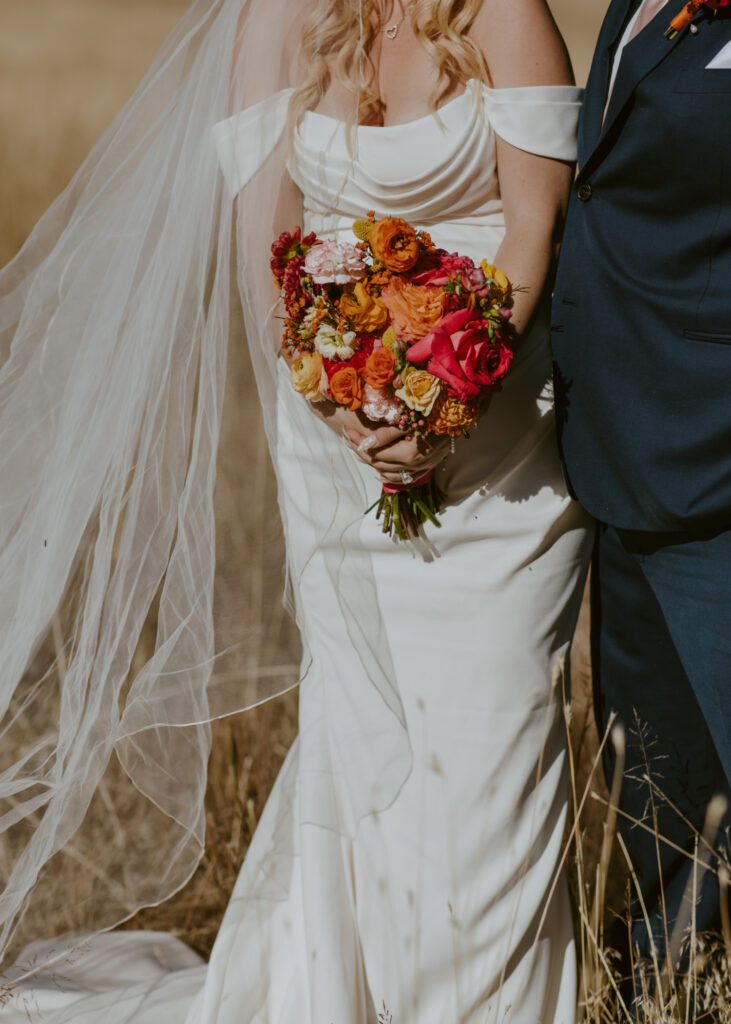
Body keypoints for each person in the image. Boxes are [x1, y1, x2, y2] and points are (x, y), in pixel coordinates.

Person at [0, 1, 592, 1020]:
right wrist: (345, 401)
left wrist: (451, 396)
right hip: (330, 444)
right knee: (362, 726)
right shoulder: (275, 17)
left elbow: (536, 229)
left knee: (494, 723)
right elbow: (265, 249)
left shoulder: (504, 14)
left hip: (500, 450)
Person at [552, 0, 731, 997]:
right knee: (659, 797)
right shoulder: (635, 6)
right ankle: (672, 997)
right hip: (619, 464)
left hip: (715, 460)